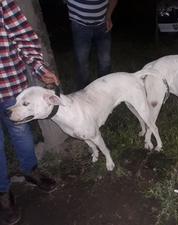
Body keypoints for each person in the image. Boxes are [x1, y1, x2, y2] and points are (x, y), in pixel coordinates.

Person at [0, 0, 60, 224]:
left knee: (21, 132)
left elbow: (24, 37)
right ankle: (3, 193)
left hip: (10, 85)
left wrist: (40, 68)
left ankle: (30, 170)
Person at [67, 0, 118, 90]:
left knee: (105, 60)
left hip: (102, 23)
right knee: (82, 61)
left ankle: (105, 90)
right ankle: (83, 93)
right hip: (79, 24)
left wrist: (108, 15)